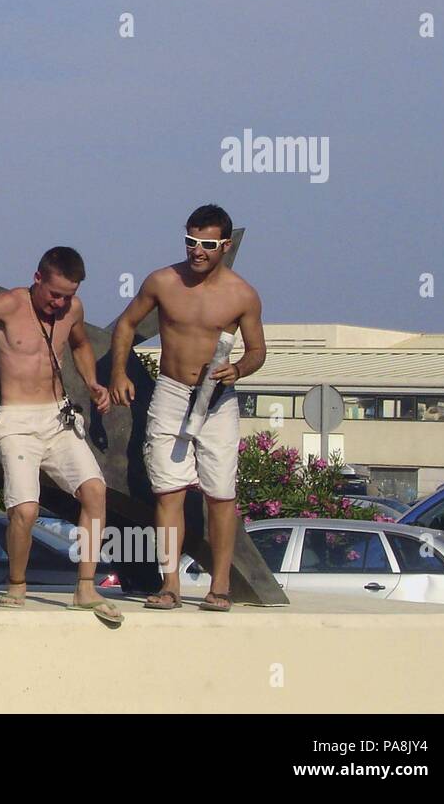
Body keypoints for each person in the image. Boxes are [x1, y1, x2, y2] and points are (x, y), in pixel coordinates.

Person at [0, 247, 121, 623]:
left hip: (59, 416)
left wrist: (92, 383)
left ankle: (85, 587)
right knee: (25, 510)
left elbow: (81, 344)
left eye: (67, 296)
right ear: (37, 278)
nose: (60, 302)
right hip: (17, 420)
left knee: (95, 491)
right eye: (54, 294)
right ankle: (17, 583)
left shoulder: (73, 309)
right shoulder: (8, 304)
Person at [108, 203, 267, 611]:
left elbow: (257, 352)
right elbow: (126, 324)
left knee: (220, 493)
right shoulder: (163, 281)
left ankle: (220, 586)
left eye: (208, 244)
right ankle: (170, 584)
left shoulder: (242, 294)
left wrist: (239, 369)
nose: (197, 251)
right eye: (191, 241)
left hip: (216, 399)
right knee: (168, 490)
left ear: (225, 246)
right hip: (171, 391)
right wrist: (119, 374)